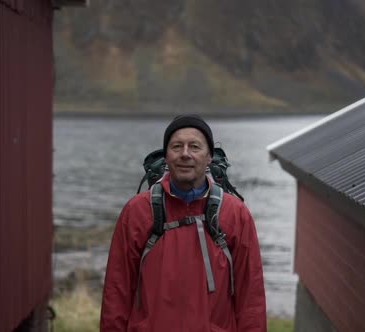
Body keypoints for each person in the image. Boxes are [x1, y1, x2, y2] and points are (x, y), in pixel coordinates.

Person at [100, 114, 266, 332]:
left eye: (195, 147)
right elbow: (117, 291)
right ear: (166, 156)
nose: (185, 154)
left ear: (210, 157)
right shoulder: (138, 211)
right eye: (177, 146)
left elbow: (250, 298)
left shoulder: (236, 214)